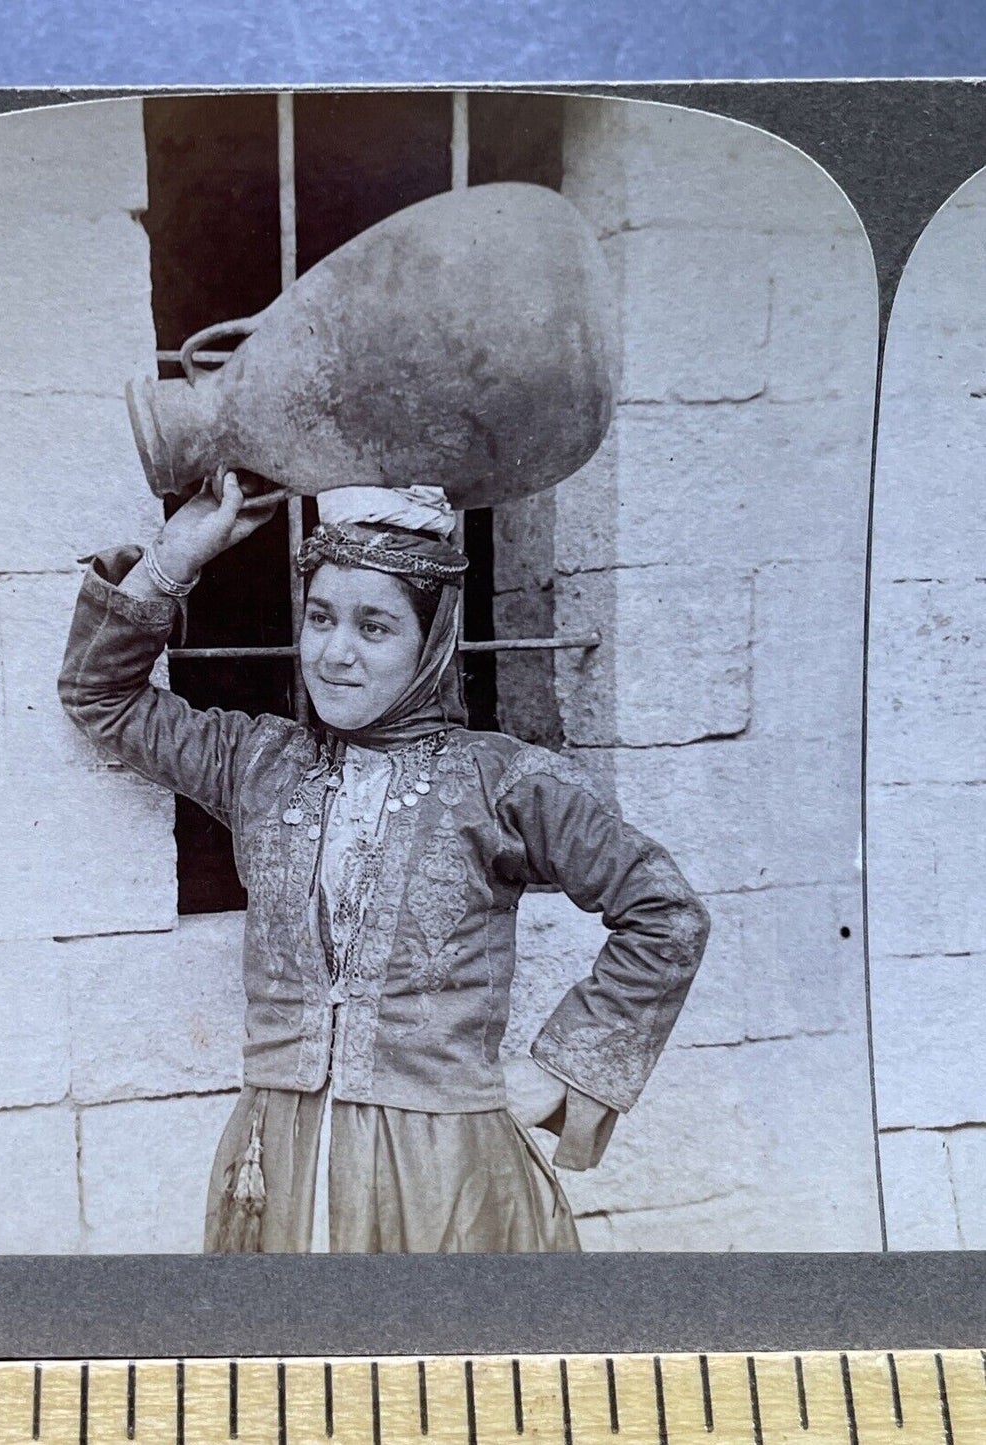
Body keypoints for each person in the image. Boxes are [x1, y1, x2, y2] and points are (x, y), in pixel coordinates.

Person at [58, 472, 710, 1253]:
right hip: (275, 1167)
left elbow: (664, 913)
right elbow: (103, 694)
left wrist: (566, 1071)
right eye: (321, 619)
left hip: (445, 1180)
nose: (335, 653)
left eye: (374, 628)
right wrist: (176, 553)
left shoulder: (503, 780)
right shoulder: (260, 762)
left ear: (428, 643)